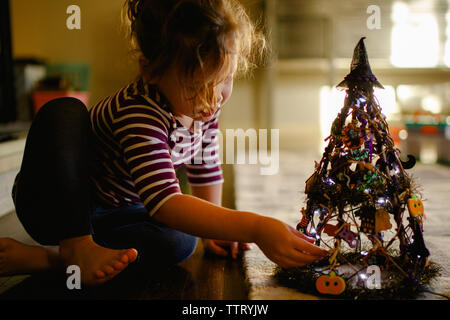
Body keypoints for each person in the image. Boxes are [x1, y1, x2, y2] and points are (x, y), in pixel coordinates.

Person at [0, 0, 327, 286]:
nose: (213, 100)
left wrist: (216, 230)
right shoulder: (138, 112)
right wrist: (255, 227)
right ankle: (68, 250)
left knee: (182, 242)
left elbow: (205, 169)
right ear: (150, 71)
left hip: (117, 214)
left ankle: (62, 258)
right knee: (64, 110)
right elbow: (166, 202)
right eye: (197, 86)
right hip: (57, 206)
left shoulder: (203, 105)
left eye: (225, 79)